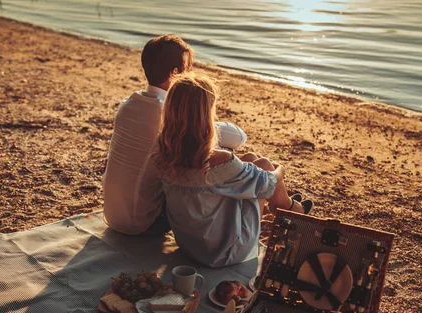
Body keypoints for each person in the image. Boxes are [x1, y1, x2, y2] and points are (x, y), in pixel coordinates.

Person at [156, 74, 312, 268]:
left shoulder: (164, 152)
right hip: (224, 252)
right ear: (206, 117)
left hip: (189, 245)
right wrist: (282, 169)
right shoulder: (218, 160)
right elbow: (268, 185)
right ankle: (290, 208)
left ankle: (285, 208)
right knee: (263, 165)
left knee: (251, 160)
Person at [103, 35, 247, 235]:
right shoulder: (168, 115)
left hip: (111, 214)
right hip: (143, 223)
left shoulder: (128, 104)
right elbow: (239, 138)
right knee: (218, 151)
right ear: (175, 73)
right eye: (187, 69)